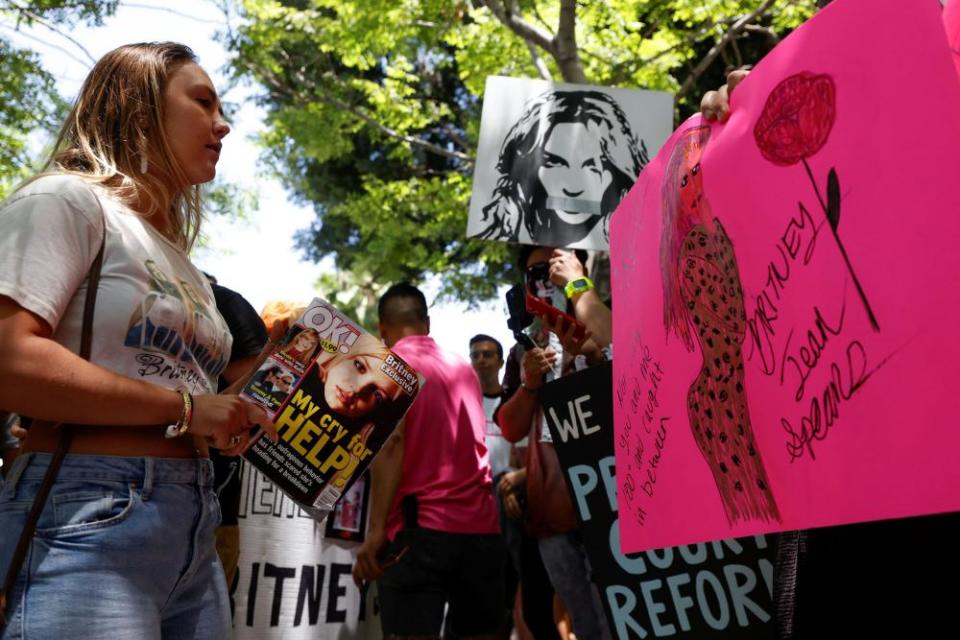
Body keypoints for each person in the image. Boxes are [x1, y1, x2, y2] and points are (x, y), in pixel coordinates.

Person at [0, 42, 277, 639]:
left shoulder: (180, 259)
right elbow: (9, 362)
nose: (222, 123)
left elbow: (179, 387)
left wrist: (227, 419)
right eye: (202, 101)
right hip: (87, 514)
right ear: (140, 104)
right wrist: (186, 411)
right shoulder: (64, 200)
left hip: (193, 526)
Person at [352, 283, 504, 639]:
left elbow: (390, 444)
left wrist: (375, 534)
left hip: (419, 535)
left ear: (382, 329)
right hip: (481, 531)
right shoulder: (463, 369)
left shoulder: (389, 368)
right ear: (428, 323)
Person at [496, 246, 611, 640]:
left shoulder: (601, 314)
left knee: (617, 614)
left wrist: (578, 285)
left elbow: (626, 366)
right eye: (536, 270)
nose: (547, 275)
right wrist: (530, 383)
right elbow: (510, 428)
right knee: (582, 619)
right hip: (552, 507)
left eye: (556, 263)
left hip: (610, 497)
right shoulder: (521, 346)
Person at [475, 90, 648, 249]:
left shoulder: (644, 247)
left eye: (593, 166)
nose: (573, 189)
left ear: (619, 169)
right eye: (554, 163)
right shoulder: (505, 223)